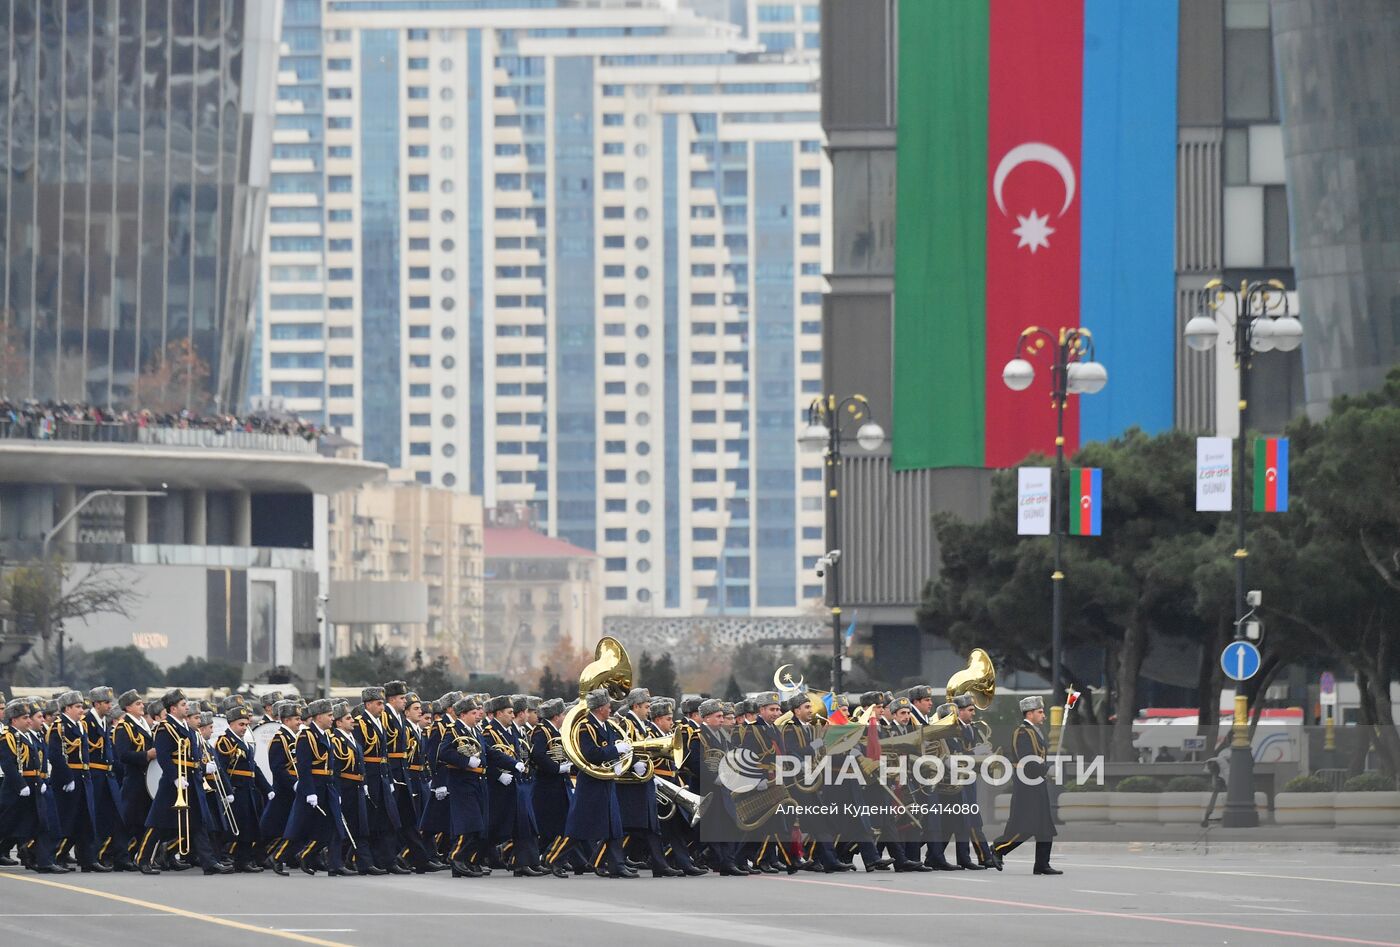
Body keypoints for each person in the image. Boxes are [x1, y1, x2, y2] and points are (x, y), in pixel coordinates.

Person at [137, 690, 231, 875]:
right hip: (175, 781)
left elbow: (193, 757)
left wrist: (203, 770)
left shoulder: (188, 728)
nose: (186, 706)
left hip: (192, 780)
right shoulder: (166, 727)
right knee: (157, 822)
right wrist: (175, 778)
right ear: (173, 708)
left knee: (199, 823)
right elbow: (164, 756)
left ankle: (209, 863)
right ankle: (142, 859)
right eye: (182, 704)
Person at [561, 688, 633, 878]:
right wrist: (615, 750)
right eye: (608, 706)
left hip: (605, 780)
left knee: (613, 825)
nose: (611, 709)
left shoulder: (606, 725)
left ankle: (613, 864)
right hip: (591, 783)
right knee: (580, 827)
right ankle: (554, 859)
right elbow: (591, 754)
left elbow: (610, 750)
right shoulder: (586, 727)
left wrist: (619, 764)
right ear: (600, 708)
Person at [992, 696, 1060, 875]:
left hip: (1037, 783)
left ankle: (1042, 864)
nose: (1043, 715)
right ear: (1029, 713)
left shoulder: (1036, 730)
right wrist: (1046, 769)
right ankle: (998, 848)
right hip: (1027, 785)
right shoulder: (1022, 732)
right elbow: (1027, 760)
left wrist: (1045, 769)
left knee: (1045, 827)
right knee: (1026, 826)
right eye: (1040, 712)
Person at [275, 698, 338, 876]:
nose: (332, 718)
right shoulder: (306, 736)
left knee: (326, 826)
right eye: (329, 715)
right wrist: (309, 792)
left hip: (325, 786)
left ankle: (306, 854)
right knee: (299, 826)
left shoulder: (325, 735)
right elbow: (303, 767)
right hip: (311, 787)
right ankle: (278, 857)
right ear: (318, 717)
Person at [0, 699, 60, 873]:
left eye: (28, 717)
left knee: (37, 824)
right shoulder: (8, 736)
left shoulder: (26, 735)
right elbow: (8, 764)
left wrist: (39, 782)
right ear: (14, 720)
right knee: (6, 825)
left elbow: (36, 764)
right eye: (24, 717)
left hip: (32, 787)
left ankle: (39, 860)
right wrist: (20, 786)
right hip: (15, 790)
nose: (28, 720)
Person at [437, 696, 491, 877]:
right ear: (462, 714)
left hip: (477, 782)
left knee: (479, 825)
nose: (478, 716)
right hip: (462, 782)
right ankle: (456, 857)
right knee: (470, 823)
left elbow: (487, 753)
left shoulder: (475, 730)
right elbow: (443, 752)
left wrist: (512, 764)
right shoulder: (454, 730)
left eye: (478, 712)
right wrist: (466, 761)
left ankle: (465, 860)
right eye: (473, 713)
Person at [214, 705, 269, 873]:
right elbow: (221, 769)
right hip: (236, 789)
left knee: (249, 826)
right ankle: (221, 857)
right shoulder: (225, 741)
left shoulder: (245, 741)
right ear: (231, 724)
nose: (244, 728)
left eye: (246, 724)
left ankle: (243, 860)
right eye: (241, 724)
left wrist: (267, 787)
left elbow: (254, 768)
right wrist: (227, 790)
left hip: (248, 789)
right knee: (234, 827)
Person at [354, 686, 403, 874]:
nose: (382, 707)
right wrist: (364, 780)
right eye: (378, 703)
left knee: (388, 820)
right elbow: (358, 755)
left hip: (382, 776)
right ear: (368, 704)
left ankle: (388, 860)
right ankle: (369, 861)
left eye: (383, 703)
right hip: (370, 776)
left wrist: (389, 778)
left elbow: (385, 753)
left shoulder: (380, 721)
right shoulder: (360, 723)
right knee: (372, 821)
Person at [112, 691, 155, 869]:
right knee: (128, 820)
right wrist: (146, 755)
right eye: (138, 703)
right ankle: (119, 857)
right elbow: (123, 755)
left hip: (147, 779)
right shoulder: (124, 727)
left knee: (142, 820)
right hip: (134, 779)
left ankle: (137, 855)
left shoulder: (143, 724)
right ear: (128, 707)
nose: (142, 706)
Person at [259, 700, 302, 874]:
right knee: (275, 826)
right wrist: (294, 783)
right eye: (296, 719)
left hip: (293, 789)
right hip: (285, 790)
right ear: (286, 721)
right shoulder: (279, 739)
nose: (299, 722)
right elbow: (277, 768)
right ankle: (265, 856)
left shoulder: (293, 737)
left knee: (288, 825)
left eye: (299, 718)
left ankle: (286, 856)